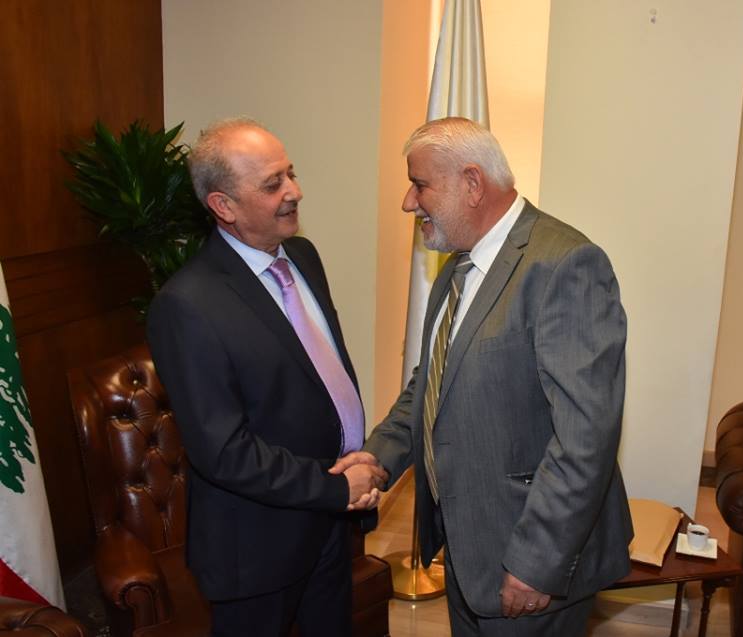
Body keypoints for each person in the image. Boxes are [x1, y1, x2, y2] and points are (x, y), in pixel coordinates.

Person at [332, 117, 633, 637]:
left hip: (529, 557)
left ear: (472, 183)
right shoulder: (457, 266)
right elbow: (432, 383)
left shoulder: (565, 265)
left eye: (420, 184)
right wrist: (378, 457)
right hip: (469, 550)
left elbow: (585, 439)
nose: (408, 202)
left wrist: (536, 562)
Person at [146, 118, 385, 637]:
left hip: (329, 527)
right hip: (258, 550)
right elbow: (223, 452)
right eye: (273, 183)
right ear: (224, 206)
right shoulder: (187, 305)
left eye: (290, 173)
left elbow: (316, 377)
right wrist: (333, 488)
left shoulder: (302, 256)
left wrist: (354, 458)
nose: (294, 191)